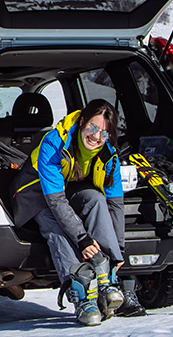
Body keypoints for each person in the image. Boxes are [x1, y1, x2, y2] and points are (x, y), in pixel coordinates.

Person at [12, 98, 146, 325]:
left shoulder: (109, 154)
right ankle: (81, 295)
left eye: (104, 133)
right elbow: (56, 202)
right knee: (56, 227)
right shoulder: (54, 143)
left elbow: (115, 203)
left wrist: (118, 250)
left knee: (96, 199)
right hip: (35, 193)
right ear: (83, 121)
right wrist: (82, 239)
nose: (96, 136)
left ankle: (107, 279)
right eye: (93, 128)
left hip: (69, 189)